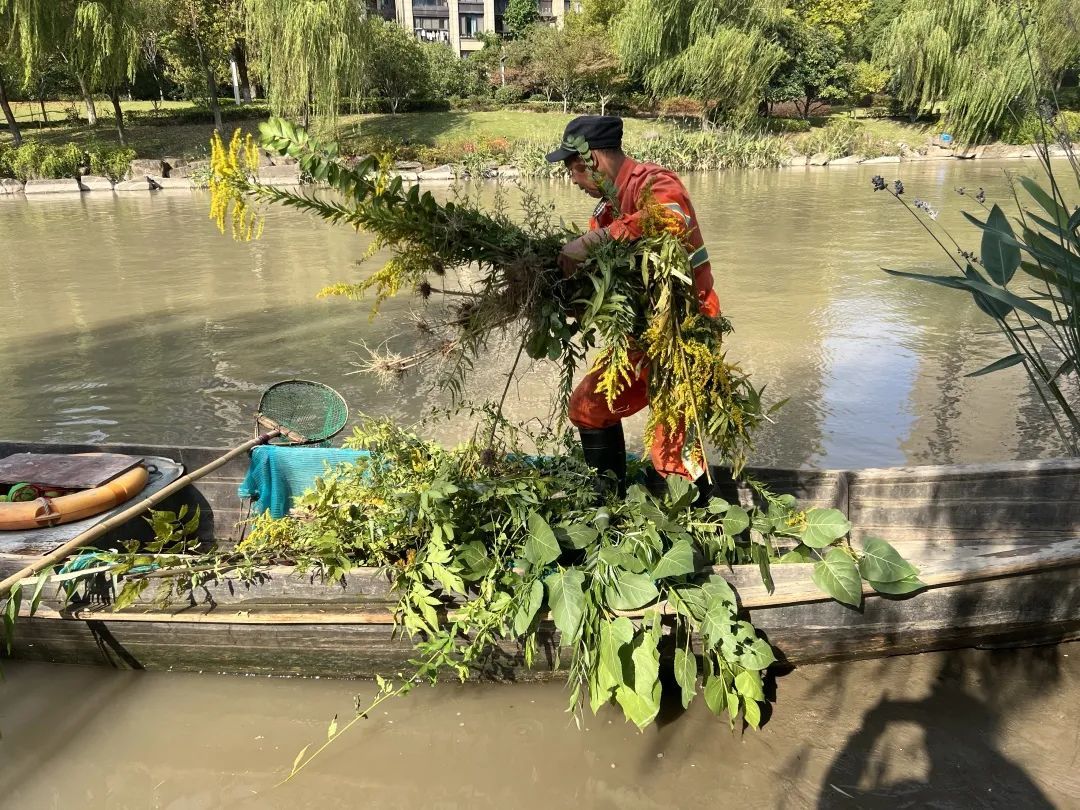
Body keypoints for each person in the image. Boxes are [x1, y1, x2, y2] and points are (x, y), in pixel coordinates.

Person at [545, 115, 720, 496]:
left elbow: (669, 220)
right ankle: (613, 500)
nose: (574, 180)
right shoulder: (605, 210)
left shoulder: (654, 182)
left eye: (576, 168)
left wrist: (588, 243)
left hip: (682, 335)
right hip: (638, 337)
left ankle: (689, 519)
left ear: (594, 159)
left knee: (671, 449)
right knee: (588, 407)